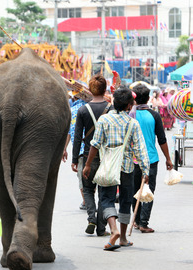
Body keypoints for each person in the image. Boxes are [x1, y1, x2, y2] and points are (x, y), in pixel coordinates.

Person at [83, 87, 150, 250]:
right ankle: (123, 238)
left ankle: (113, 230)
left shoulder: (104, 120)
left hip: (108, 166)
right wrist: (145, 170)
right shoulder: (132, 123)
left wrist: (87, 165)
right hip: (127, 168)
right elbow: (140, 148)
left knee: (106, 199)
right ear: (129, 105)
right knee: (126, 202)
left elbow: (95, 145)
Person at [130, 84, 173, 233]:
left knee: (135, 190)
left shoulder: (130, 114)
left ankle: (136, 220)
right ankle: (143, 222)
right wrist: (168, 158)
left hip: (133, 159)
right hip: (150, 159)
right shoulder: (154, 115)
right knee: (148, 190)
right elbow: (162, 139)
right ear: (148, 98)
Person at [72, 74, 111, 236]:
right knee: (104, 191)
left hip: (88, 156)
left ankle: (91, 218)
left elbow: (77, 137)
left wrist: (75, 159)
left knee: (88, 190)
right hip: (106, 156)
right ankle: (102, 228)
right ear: (104, 89)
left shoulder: (83, 110)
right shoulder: (111, 109)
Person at [62, 93, 87, 211]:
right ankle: (89, 198)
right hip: (95, 148)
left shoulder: (72, 111)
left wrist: (64, 148)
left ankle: (85, 200)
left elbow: (69, 132)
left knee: (81, 175)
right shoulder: (92, 107)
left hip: (80, 149)